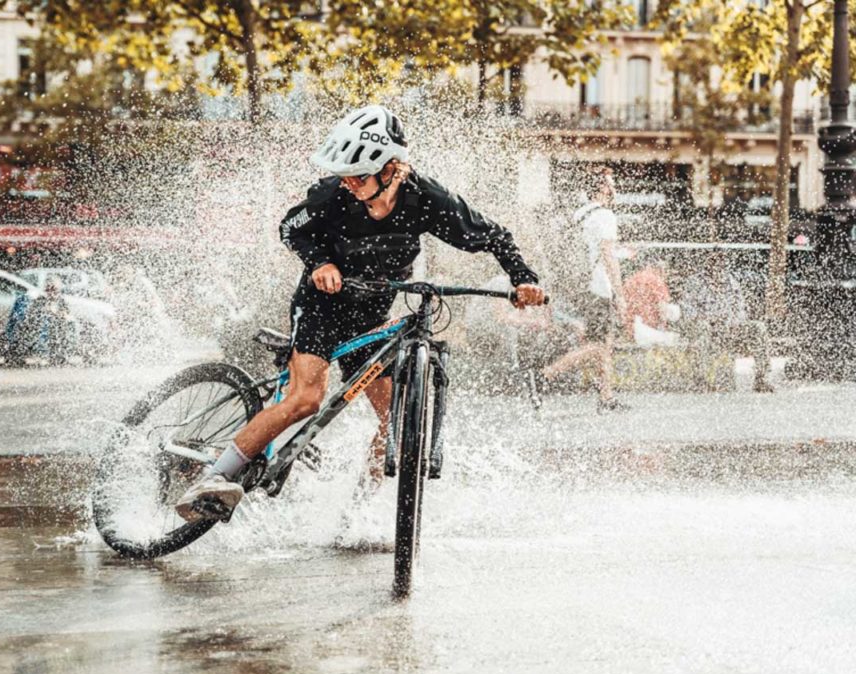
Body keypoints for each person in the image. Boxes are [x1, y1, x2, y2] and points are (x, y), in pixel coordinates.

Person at [174, 104, 547, 521]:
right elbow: (289, 227)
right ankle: (212, 477)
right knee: (306, 399)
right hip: (321, 305)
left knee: (395, 421)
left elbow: (493, 236)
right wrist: (319, 263)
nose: (349, 183)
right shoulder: (333, 195)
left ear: (390, 169)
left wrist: (523, 280)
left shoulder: (425, 199)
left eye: (359, 175)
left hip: (370, 317)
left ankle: (356, 515)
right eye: (346, 174)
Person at [541, 166, 628, 412]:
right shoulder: (605, 215)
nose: (614, 187)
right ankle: (545, 375)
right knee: (599, 344)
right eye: (611, 183)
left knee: (605, 342)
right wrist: (619, 295)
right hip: (598, 287)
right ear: (602, 188)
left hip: (579, 285)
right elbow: (608, 256)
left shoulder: (580, 214)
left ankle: (606, 396)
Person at [680, 250, 773, 393]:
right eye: (713, 260)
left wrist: (735, 323)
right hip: (706, 330)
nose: (717, 264)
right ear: (707, 263)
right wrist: (708, 320)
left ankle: (761, 378)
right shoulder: (695, 283)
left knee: (758, 328)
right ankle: (702, 380)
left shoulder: (731, 282)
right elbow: (687, 310)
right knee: (702, 328)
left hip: (729, 329)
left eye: (721, 260)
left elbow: (740, 309)